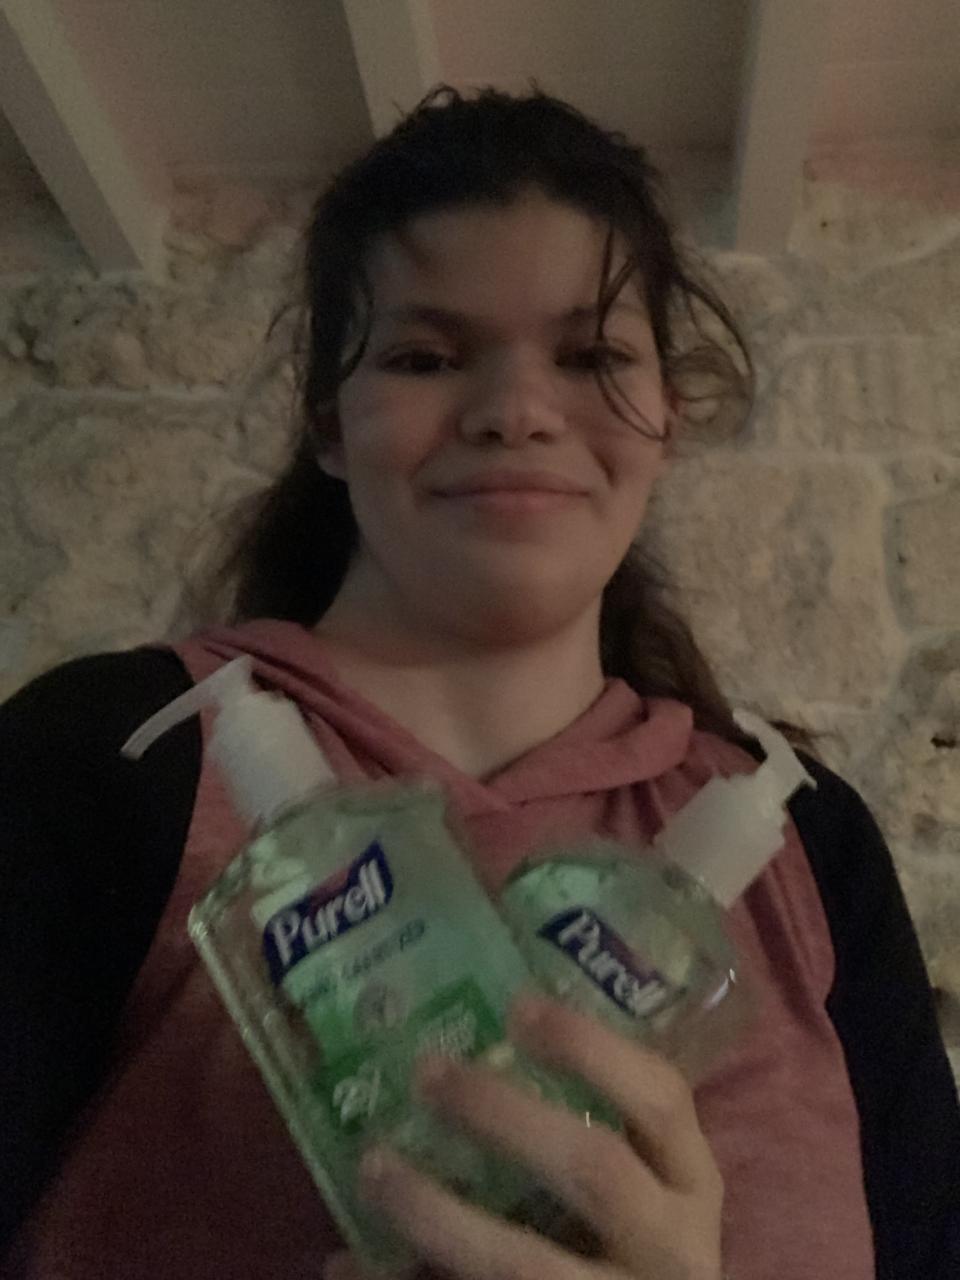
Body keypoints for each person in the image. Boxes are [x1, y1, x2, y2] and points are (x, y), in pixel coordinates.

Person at [1, 85, 958, 1280]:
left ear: (667, 416)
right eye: (426, 355)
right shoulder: (108, 756)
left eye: (592, 355)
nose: (514, 410)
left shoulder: (811, 841)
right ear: (330, 423)